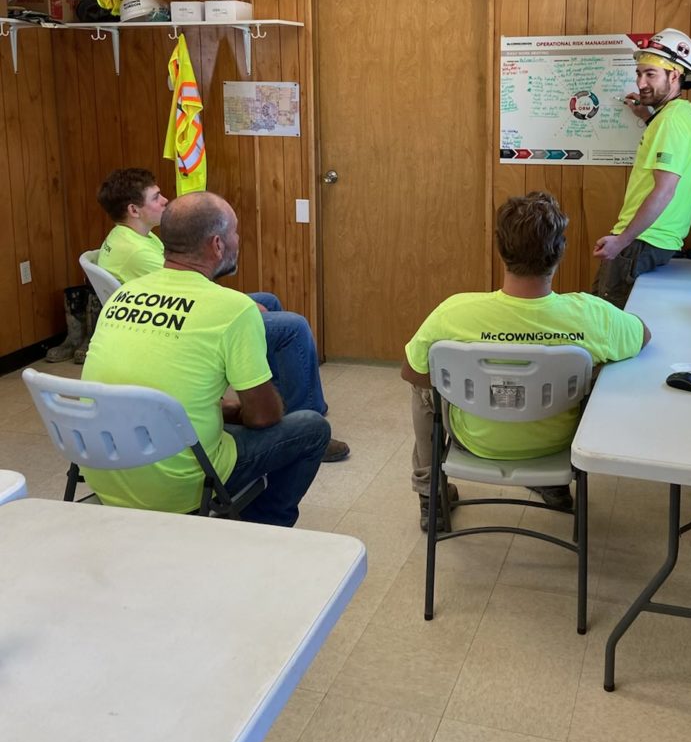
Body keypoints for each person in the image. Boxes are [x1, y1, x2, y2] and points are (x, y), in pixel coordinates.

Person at [402, 191, 650, 530]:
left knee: (425, 389)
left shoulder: (454, 312)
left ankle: (431, 496)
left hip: (475, 440)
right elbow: (644, 336)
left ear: (500, 249)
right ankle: (553, 482)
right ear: (560, 250)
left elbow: (412, 373)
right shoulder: (593, 316)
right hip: (558, 444)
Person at [82, 192, 330, 526]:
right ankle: (265, 525)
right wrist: (236, 409)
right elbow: (263, 418)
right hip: (177, 485)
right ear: (217, 244)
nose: (238, 240)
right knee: (312, 429)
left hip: (103, 467)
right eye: (235, 233)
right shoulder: (235, 310)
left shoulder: (123, 294)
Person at [95, 167, 349, 462]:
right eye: (156, 196)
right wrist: (244, 307)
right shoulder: (136, 250)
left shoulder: (134, 239)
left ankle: (289, 397)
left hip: (116, 442)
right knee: (293, 327)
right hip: (183, 323)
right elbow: (190, 289)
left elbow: (183, 280)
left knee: (268, 301)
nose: (164, 200)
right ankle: (304, 412)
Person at [592, 28, 691, 308]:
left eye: (651, 74)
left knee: (607, 327)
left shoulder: (671, 122)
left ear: (675, 75)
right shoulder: (678, 116)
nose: (641, 82)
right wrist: (647, 119)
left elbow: (664, 191)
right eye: (639, 74)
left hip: (640, 240)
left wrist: (622, 240)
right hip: (651, 240)